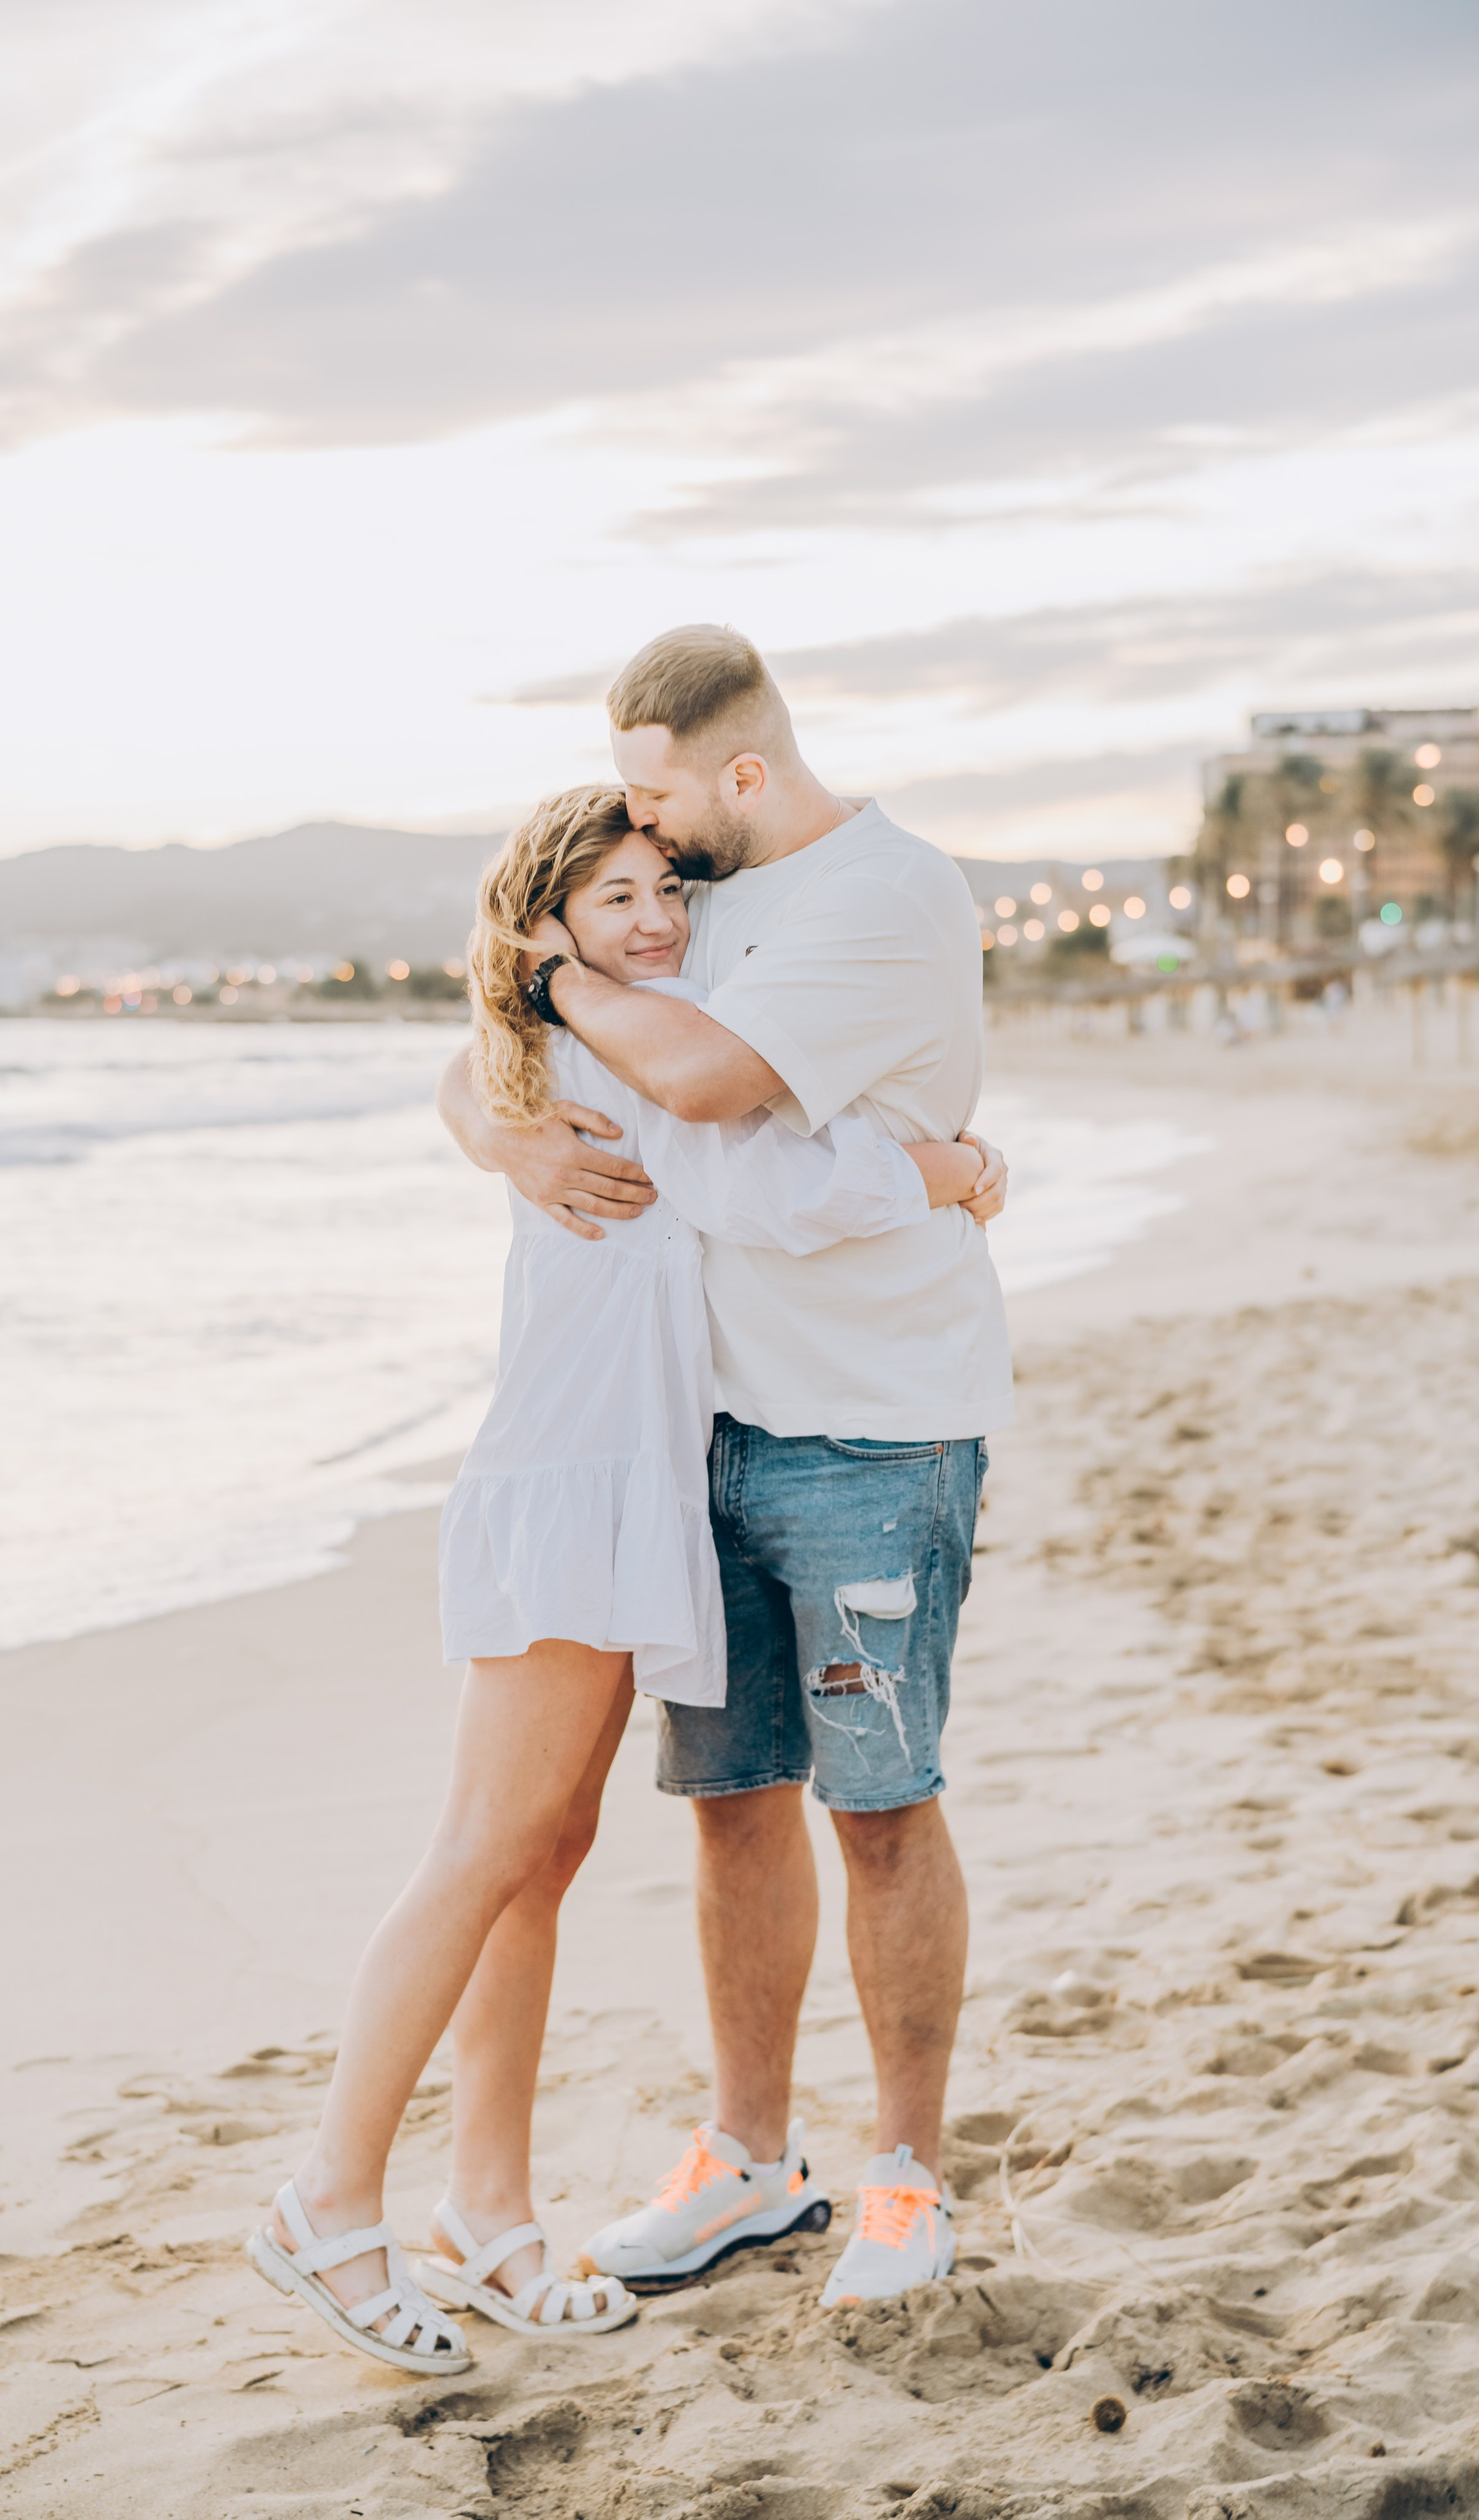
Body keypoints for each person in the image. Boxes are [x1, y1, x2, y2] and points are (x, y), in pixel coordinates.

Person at [247, 785, 999, 2374]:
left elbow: (496, 1078)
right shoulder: (620, 1052)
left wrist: (517, 1054)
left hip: (618, 1475)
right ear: (547, 932)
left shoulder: (611, 1035)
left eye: (665, 887)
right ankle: (326, 2199)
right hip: (579, 1481)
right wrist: (939, 1169)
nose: (655, 918)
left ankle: (487, 2212)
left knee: (543, 1850)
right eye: (612, 900)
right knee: (484, 1851)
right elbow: (765, 1189)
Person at [438, 624, 1013, 2311]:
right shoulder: (694, 898)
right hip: (706, 1426)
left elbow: (691, 1078)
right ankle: (749, 2165)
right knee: (732, 1804)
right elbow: (502, 1066)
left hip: (868, 1424)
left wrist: (533, 972)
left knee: (881, 1806)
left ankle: (901, 2174)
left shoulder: (880, 897)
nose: (644, 830)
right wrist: (503, 1125)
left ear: (739, 770)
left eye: (655, 789)